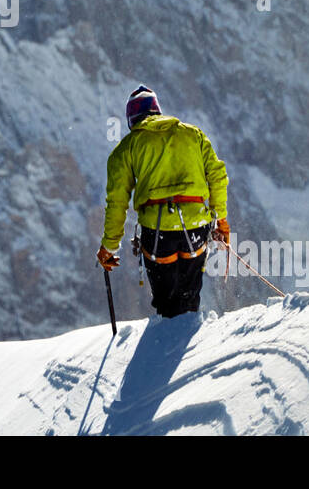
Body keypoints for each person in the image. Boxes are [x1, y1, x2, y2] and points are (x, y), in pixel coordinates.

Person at [97, 85, 230, 317]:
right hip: (196, 227)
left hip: (158, 233)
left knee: (166, 303)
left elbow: (117, 202)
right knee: (189, 298)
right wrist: (221, 220)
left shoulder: (126, 149)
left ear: (132, 119)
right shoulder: (193, 134)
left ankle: (166, 341)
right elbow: (217, 176)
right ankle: (191, 341)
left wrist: (109, 246)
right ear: (157, 111)